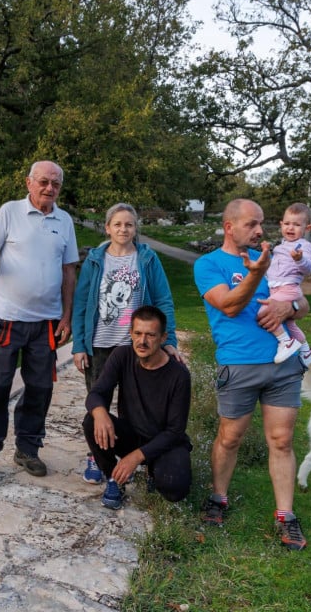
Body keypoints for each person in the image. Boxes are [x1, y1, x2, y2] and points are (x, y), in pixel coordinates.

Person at [194, 198, 309, 551]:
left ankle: (286, 516)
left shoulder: (277, 260)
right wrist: (256, 273)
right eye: (252, 224)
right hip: (239, 363)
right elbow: (228, 304)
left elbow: (303, 304)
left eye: (262, 223)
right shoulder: (208, 264)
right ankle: (218, 497)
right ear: (230, 227)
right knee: (230, 438)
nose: (261, 230)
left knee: (282, 441)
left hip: (283, 366)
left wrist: (286, 306)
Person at [0, 160, 79, 485]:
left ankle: (27, 449)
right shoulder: (9, 212)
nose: (49, 188)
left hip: (46, 323)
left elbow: (69, 271)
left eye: (55, 183)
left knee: (41, 389)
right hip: (8, 319)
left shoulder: (64, 221)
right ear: (29, 182)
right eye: (43, 181)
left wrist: (66, 315)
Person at [71, 203, 182, 485]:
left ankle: (136, 455)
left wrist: (169, 340)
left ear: (135, 229)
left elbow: (163, 300)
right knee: (98, 405)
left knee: (133, 407)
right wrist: (79, 345)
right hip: (100, 345)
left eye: (129, 225)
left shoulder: (146, 259)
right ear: (107, 228)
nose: (123, 229)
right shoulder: (96, 260)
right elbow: (82, 303)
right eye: (117, 224)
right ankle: (98, 457)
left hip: (135, 346)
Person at [82, 305, 192, 510]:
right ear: (130, 333)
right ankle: (114, 479)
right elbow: (96, 393)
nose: (142, 341)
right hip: (131, 434)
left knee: (174, 488)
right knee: (92, 420)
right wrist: (101, 414)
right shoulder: (122, 356)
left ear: (162, 337)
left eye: (150, 335)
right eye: (138, 333)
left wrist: (136, 457)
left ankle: (153, 470)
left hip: (165, 441)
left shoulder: (179, 375)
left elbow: (175, 431)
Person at [261, 202, 311, 365]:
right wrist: (265, 252)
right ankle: (306, 351)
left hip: (288, 288)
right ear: (281, 225)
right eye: (287, 223)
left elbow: (309, 268)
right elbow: (274, 268)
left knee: (264, 312)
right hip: (278, 287)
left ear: (307, 228)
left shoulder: (305, 246)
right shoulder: (282, 246)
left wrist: (299, 259)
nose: (291, 228)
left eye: (297, 225)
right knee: (289, 323)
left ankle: (286, 342)